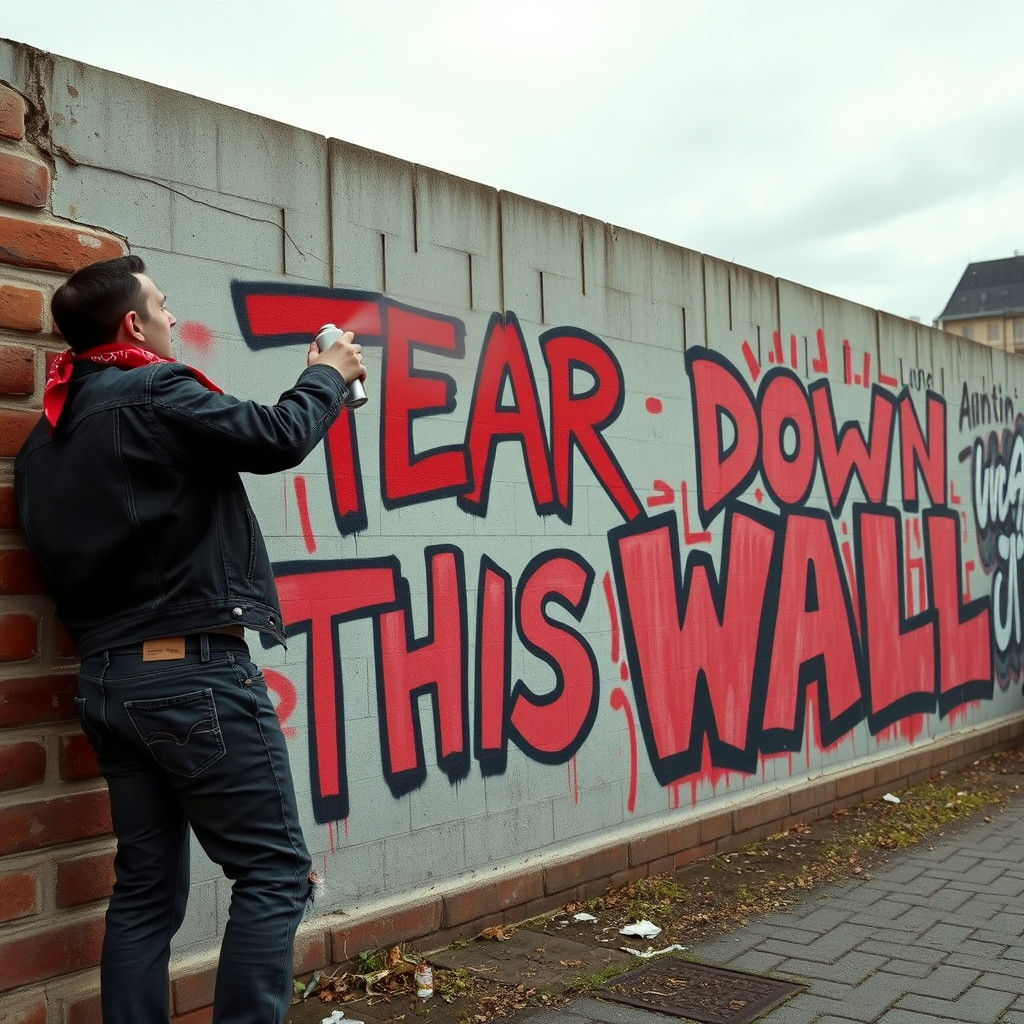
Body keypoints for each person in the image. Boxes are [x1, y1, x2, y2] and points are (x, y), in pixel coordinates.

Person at [14, 255, 364, 1024]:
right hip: (190, 677)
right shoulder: (155, 389)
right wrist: (329, 376)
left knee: (143, 891)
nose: (175, 319)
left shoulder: (43, 443)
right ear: (133, 324)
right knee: (274, 875)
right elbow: (276, 437)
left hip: (107, 684)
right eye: (164, 308)